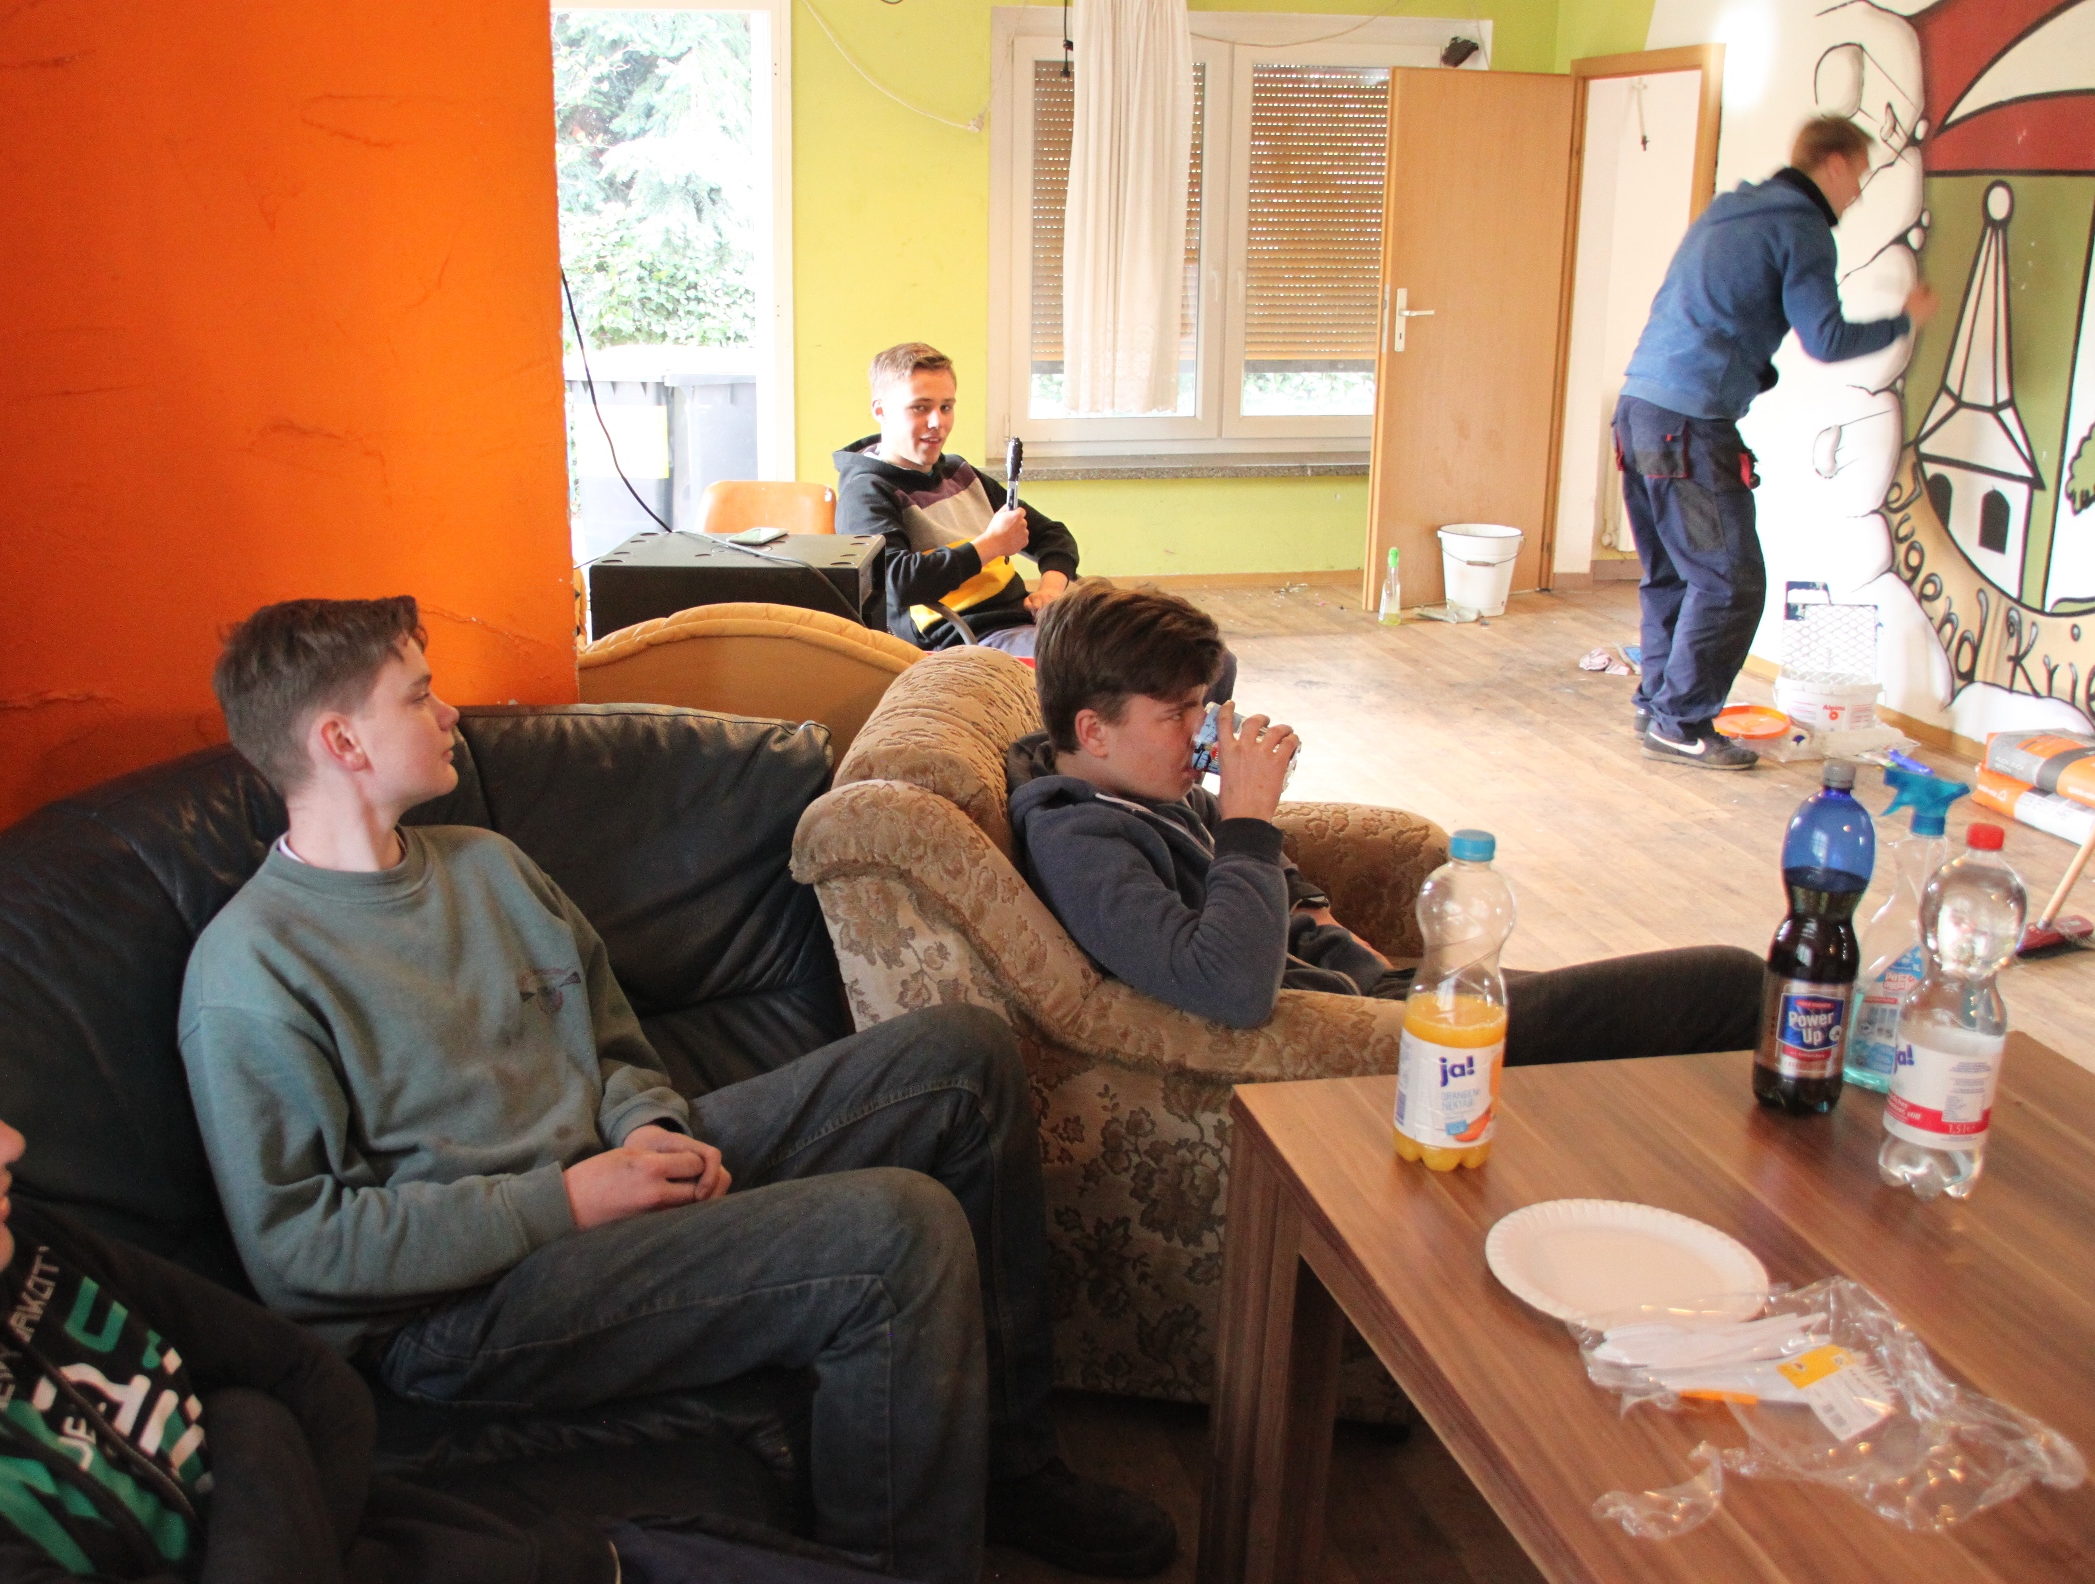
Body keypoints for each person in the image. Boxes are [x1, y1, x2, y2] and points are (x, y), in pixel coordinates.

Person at [177, 596, 1177, 1584]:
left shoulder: (488, 868)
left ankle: (1010, 1465)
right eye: (419, 695)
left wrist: (645, 1123)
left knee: (963, 1057)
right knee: (898, 1231)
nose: (449, 715)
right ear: (342, 741)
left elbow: (611, 1040)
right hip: (463, 1309)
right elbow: (298, 1250)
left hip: (606, 1177)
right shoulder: (251, 970)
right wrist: (567, 1201)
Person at [0, 941, 626, 1584]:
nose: (4, 1142)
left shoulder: (3, 1240)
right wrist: (250, 1433)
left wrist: (260, 1453)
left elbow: (310, 1384)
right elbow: (265, 1407)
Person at [1006, 582, 1765, 1059]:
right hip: (1365, 1041)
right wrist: (1249, 825)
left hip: (1381, 991)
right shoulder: (1080, 844)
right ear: (1093, 730)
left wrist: (1318, 914)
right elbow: (1229, 986)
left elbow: (1240, 857)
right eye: (1178, 714)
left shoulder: (1137, 785)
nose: (1202, 731)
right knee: (1726, 985)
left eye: (1201, 705)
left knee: (1679, 1009)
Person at [1616, 114, 1937, 771]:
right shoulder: (1802, 227)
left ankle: (1660, 706)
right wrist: (1904, 321)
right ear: (1835, 164)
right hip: (1689, 423)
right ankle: (1680, 721)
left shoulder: (1731, 210)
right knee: (1730, 583)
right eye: (1859, 176)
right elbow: (1827, 339)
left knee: (1675, 571)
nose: (1857, 194)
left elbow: (1704, 307)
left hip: (1640, 409)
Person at [834, 342, 1079, 657]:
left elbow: (1054, 536)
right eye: (920, 407)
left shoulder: (960, 473)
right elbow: (894, 583)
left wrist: (1050, 591)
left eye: (946, 407)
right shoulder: (865, 492)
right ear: (880, 410)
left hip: (1022, 622)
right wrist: (990, 546)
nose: (937, 422)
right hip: (965, 640)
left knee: (1128, 638)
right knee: (1090, 664)